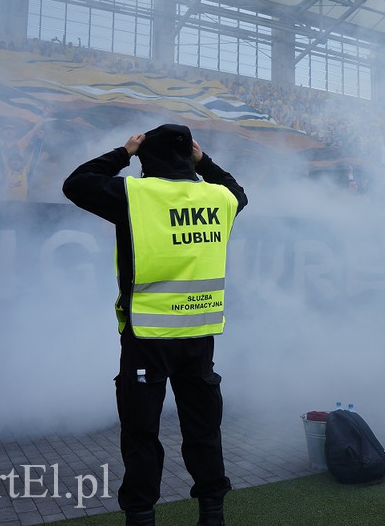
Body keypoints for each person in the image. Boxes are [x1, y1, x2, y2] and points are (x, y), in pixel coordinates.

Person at [63, 124, 247, 526]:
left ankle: (142, 516)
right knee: (203, 431)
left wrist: (123, 152)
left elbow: (76, 183)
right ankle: (212, 514)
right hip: (199, 335)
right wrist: (205, 162)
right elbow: (238, 191)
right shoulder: (220, 197)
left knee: (142, 433)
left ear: (148, 157)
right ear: (189, 156)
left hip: (147, 338)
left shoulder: (134, 194)